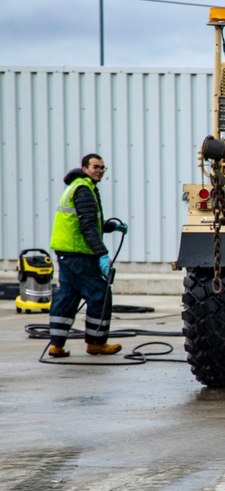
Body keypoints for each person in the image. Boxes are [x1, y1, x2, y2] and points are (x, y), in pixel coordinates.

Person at [47, 153, 128, 358]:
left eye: (102, 167)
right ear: (85, 168)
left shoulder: (78, 187)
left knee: (68, 295)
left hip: (67, 253)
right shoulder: (83, 190)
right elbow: (87, 226)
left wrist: (110, 226)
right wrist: (102, 254)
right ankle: (96, 343)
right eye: (95, 167)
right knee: (100, 294)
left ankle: (56, 345)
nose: (99, 170)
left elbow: (85, 221)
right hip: (79, 255)